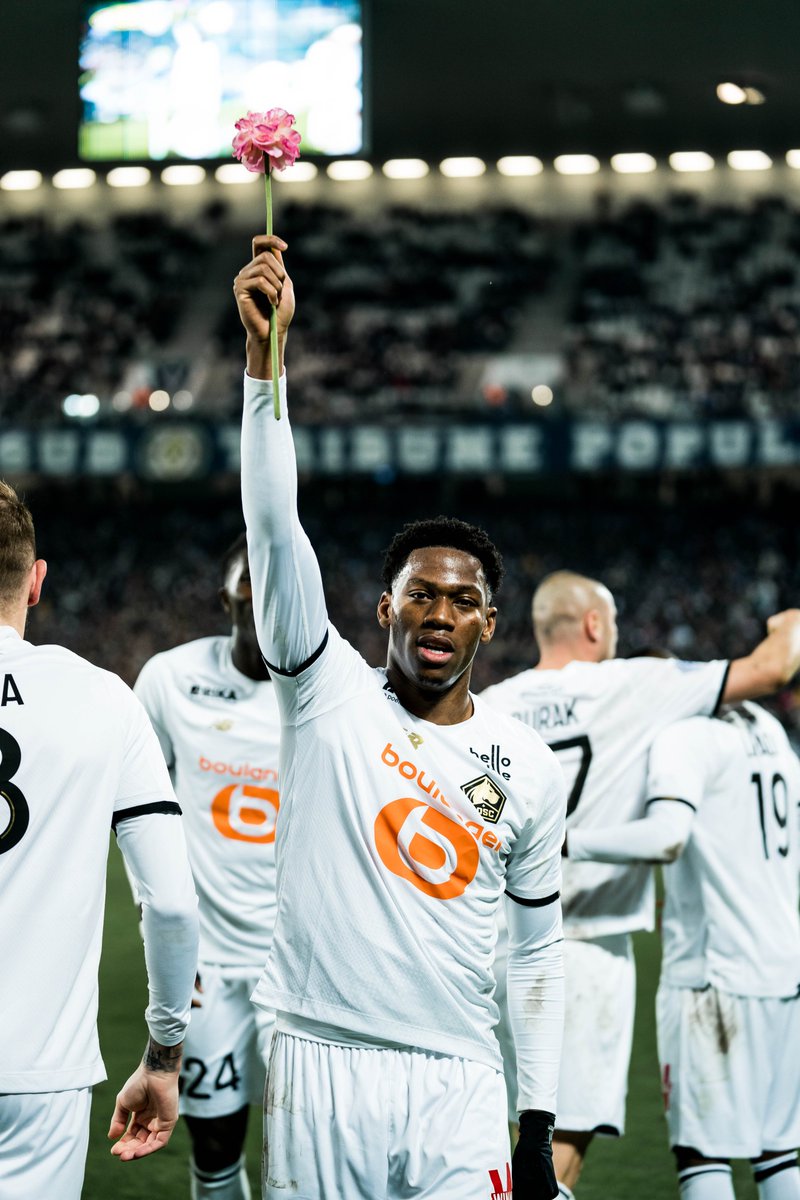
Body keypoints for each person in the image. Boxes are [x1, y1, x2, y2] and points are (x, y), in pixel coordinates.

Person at [234, 234, 566, 1200]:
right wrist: (266, 372)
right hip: (319, 1059)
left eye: (461, 600)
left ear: (489, 624)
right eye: (420, 594)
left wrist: (537, 1126)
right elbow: (272, 524)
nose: (439, 613)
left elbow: (538, 955)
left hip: (463, 1080)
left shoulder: (527, 767)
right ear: (384, 609)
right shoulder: (320, 685)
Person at [479, 570, 800, 1197]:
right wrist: (787, 623)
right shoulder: (633, 685)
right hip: (585, 948)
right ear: (596, 625)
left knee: (495, 1138)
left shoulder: (492, 706)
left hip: (491, 945)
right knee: (555, 1150)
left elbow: (473, 805)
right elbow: (772, 668)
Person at [0, 479, 199, 1200]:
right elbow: (172, 905)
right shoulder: (103, 698)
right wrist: (164, 1056)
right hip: (39, 1078)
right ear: (37, 581)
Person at [564, 700, 800, 1200]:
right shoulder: (765, 726)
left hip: (713, 975)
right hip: (782, 963)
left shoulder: (684, 734)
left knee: (701, 1154)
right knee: (778, 1151)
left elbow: (667, 837)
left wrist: (566, 841)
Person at [134, 533, 280, 1200]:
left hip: (301, 976)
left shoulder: (335, 691)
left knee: (300, 1161)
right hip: (209, 970)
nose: (263, 595)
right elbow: (133, 812)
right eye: (249, 582)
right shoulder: (170, 679)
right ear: (227, 596)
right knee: (215, 1153)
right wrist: (164, 936)